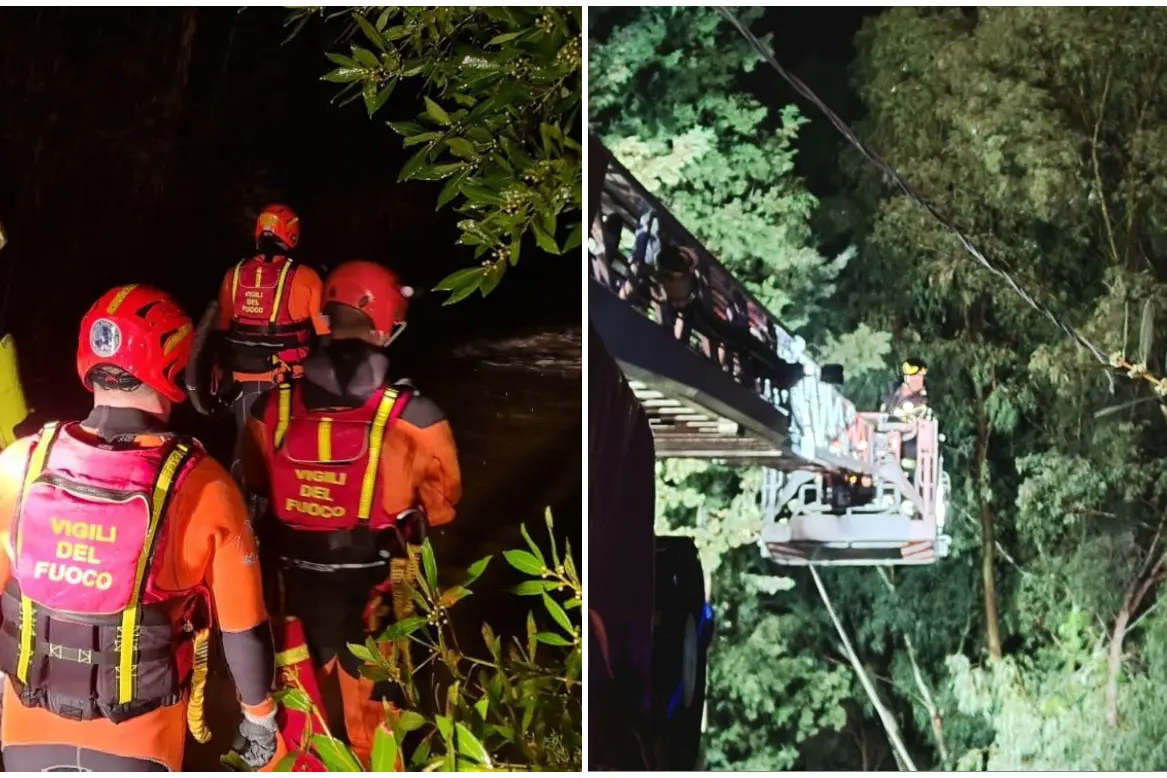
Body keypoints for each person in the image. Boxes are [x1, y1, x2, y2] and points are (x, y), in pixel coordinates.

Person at [0, 285, 282, 771]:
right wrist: (260, 719)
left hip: (26, 738)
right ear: (177, 366)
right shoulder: (205, 485)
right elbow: (244, 632)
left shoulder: (18, 465)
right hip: (140, 743)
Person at [241, 260, 462, 766]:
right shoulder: (416, 417)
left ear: (327, 318)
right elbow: (443, 507)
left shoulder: (268, 409)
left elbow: (255, 485)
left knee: (299, 727)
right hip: (374, 595)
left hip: (292, 592)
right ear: (384, 325)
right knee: (379, 731)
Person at [214, 204, 327, 483]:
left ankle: (240, 501)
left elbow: (219, 332)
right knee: (287, 456)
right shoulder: (307, 277)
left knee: (245, 450)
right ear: (292, 235)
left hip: (242, 383)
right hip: (289, 382)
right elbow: (325, 336)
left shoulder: (233, 275)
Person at [880, 356, 932, 472]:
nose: (918, 380)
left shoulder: (922, 402)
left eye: (921, 377)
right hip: (883, 442)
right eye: (915, 376)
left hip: (908, 451)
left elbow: (918, 424)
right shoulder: (890, 393)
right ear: (906, 377)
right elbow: (880, 413)